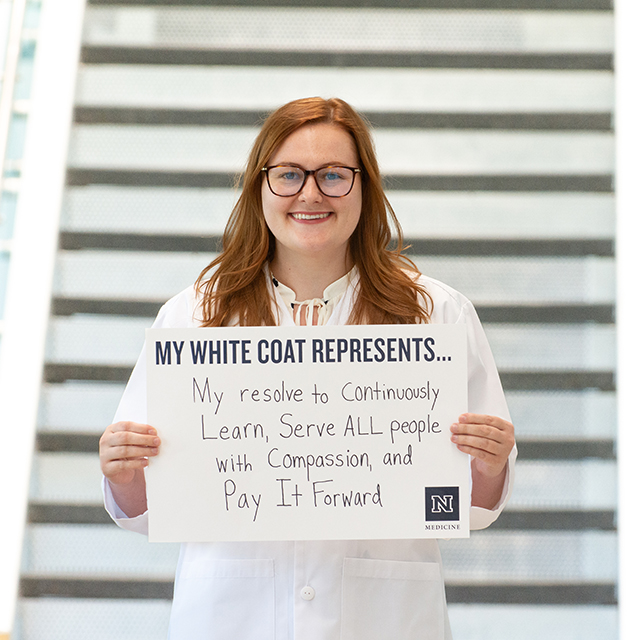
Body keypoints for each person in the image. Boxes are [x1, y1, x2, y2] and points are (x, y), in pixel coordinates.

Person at [99, 97, 516, 640]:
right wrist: (125, 470)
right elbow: (151, 509)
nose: (311, 194)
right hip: (232, 615)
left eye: (334, 175)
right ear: (259, 187)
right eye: (289, 175)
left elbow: (473, 507)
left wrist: (488, 465)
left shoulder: (436, 314)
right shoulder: (194, 316)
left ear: (364, 188)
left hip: (384, 618)